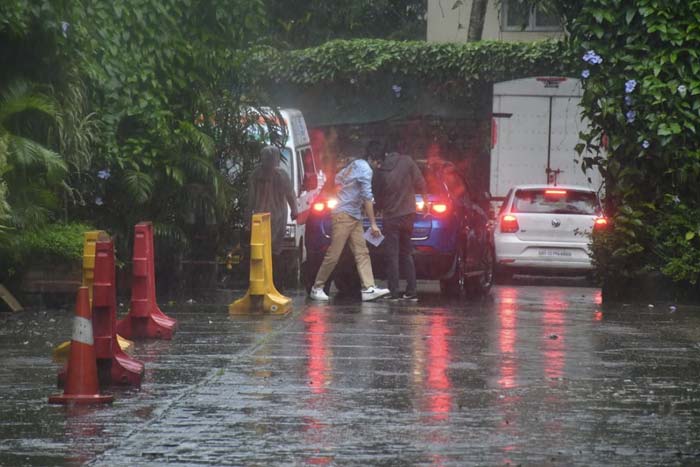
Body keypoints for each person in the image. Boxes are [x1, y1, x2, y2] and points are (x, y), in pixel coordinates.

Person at [309, 140, 390, 302]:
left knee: (362, 252)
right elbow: (367, 197)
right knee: (334, 254)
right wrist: (373, 223)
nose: (378, 166)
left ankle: (369, 288)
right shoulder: (366, 170)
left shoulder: (355, 164)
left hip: (353, 215)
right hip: (344, 215)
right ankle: (317, 287)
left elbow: (338, 179)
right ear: (375, 160)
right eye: (379, 163)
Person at [373, 148, 427, 301]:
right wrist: (425, 201)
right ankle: (412, 291)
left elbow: (377, 195)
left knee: (392, 256)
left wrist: (377, 209)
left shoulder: (380, 170)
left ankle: (394, 292)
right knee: (406, 253)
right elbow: (420, 182)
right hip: (408, 214)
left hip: (391, 217)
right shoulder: (407, 161)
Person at [246, 145, 298, 289]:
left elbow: (290, 194)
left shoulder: (281, 175)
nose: (268, 161)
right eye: (265, 158)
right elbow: (250, 198)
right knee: (259, 250)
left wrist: (294, 210)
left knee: (275, 250)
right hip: (259, 217)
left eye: (270, 158)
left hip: (278, 216)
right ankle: (261, 282)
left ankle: (276, 283)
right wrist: (247, 218)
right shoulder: (256, 174)